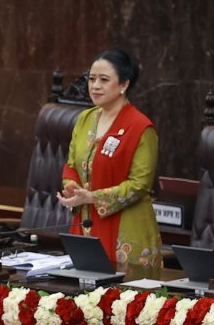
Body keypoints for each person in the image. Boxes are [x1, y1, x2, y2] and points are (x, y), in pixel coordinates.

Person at [56, 49, 162, 269]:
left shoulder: (141, 127)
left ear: (124, 84)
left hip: (126, 228)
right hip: (85, 223)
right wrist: (73, 189)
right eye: (92, 79)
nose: (95, 86)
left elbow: (139, 185)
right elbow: (71, 166)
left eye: (104, 80)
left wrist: (92, 197)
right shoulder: (85, 119)